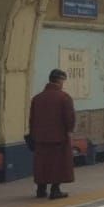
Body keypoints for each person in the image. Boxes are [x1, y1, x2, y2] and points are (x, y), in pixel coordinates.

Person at [28, 68, 75, 199]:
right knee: (58, 164)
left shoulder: (37, 98)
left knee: (42, 164)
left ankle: (40, 190)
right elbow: (69, 118)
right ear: (60, 80)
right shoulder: (64, 98)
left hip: (40, 138)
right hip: (59, 138)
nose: (63, 84)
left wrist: (33, 135)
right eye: (63, 81)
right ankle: (55, 190)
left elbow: (32, 119)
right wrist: (69, 132)